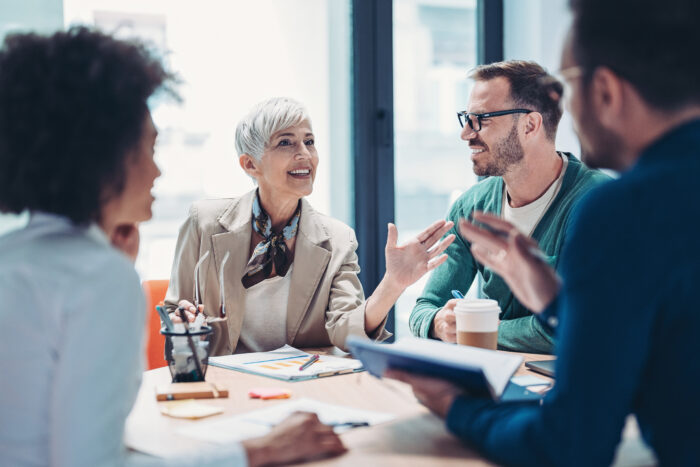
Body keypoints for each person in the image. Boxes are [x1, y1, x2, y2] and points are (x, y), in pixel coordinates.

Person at [0, 27, 346, 466]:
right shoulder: (100, 279)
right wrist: (257, 452)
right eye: (150, 147)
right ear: (104, 157)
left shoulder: (13, 256)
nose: (158, 171)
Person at [389, 0, 700, 464]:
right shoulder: (476, 205)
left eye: (567, 87)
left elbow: (570, 443)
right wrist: (558, 305)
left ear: (606, 90)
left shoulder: (615, 208)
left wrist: (456, 407)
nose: (564, 108)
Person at [165, 97, 455, 355]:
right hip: (226, 385)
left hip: (303, 387)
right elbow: (174, 312)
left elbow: (345, 332)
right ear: (250, 165)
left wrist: (393, 285)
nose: (304, 153)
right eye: (286, 142)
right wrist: (182, 321)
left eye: (309, 141)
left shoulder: (339, 240)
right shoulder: (203, 223)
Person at [409, 60, 609, 353]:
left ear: (530, 125)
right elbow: (424, 309)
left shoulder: (596, 204)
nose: (466, 133)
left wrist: (479, 330)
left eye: (481, 119)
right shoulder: (471, 207)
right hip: (498, 379)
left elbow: (568, 327)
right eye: (465, 117)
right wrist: (440, 322)